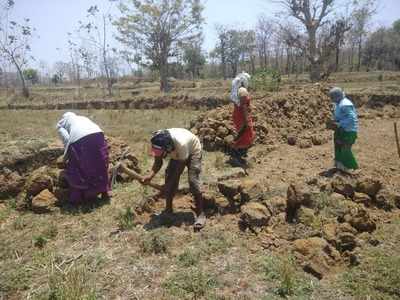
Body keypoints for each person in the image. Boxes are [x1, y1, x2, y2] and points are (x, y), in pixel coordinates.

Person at [142, 128, 206, 229]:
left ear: (168, 147)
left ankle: (200, 214)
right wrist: (150, 176)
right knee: (169, 176)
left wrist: (168, 185)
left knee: (193, 180)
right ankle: (168, 210)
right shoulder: (158, 140)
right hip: (177, 150)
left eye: (162, 153)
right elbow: (158, 162)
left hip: (193, 149)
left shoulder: (181, 144)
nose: (161, 155)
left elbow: (178, 171)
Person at [57, 112, 110, 203]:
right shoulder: (82, 117)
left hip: (80, 139)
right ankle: (104, 192)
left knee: (76, 166)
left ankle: (77, 198)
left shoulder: (60, 125)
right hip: (98, 134)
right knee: (100, 163)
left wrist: (65, 158)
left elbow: (67, 141)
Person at [327, 87, 359, 173]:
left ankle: (352, 168)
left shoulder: (345, 104)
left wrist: (339, 123)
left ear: (337, 96)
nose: (331, 99)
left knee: (345, 149)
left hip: (349, 130)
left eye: (332, 97)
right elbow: (340, 116)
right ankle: (340, 166)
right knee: (338, 147)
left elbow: (351, 118)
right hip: (341, 130)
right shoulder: (339, 103)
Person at [229, 72, 256, 166]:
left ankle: (239, 154)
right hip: (242, 115)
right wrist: (246, 120)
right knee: (245, 134)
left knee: (242, 134)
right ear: (244, 81)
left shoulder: (239, 89)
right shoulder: (243, 90)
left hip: (238, 114)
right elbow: (244, 107)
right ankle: (236, 156)